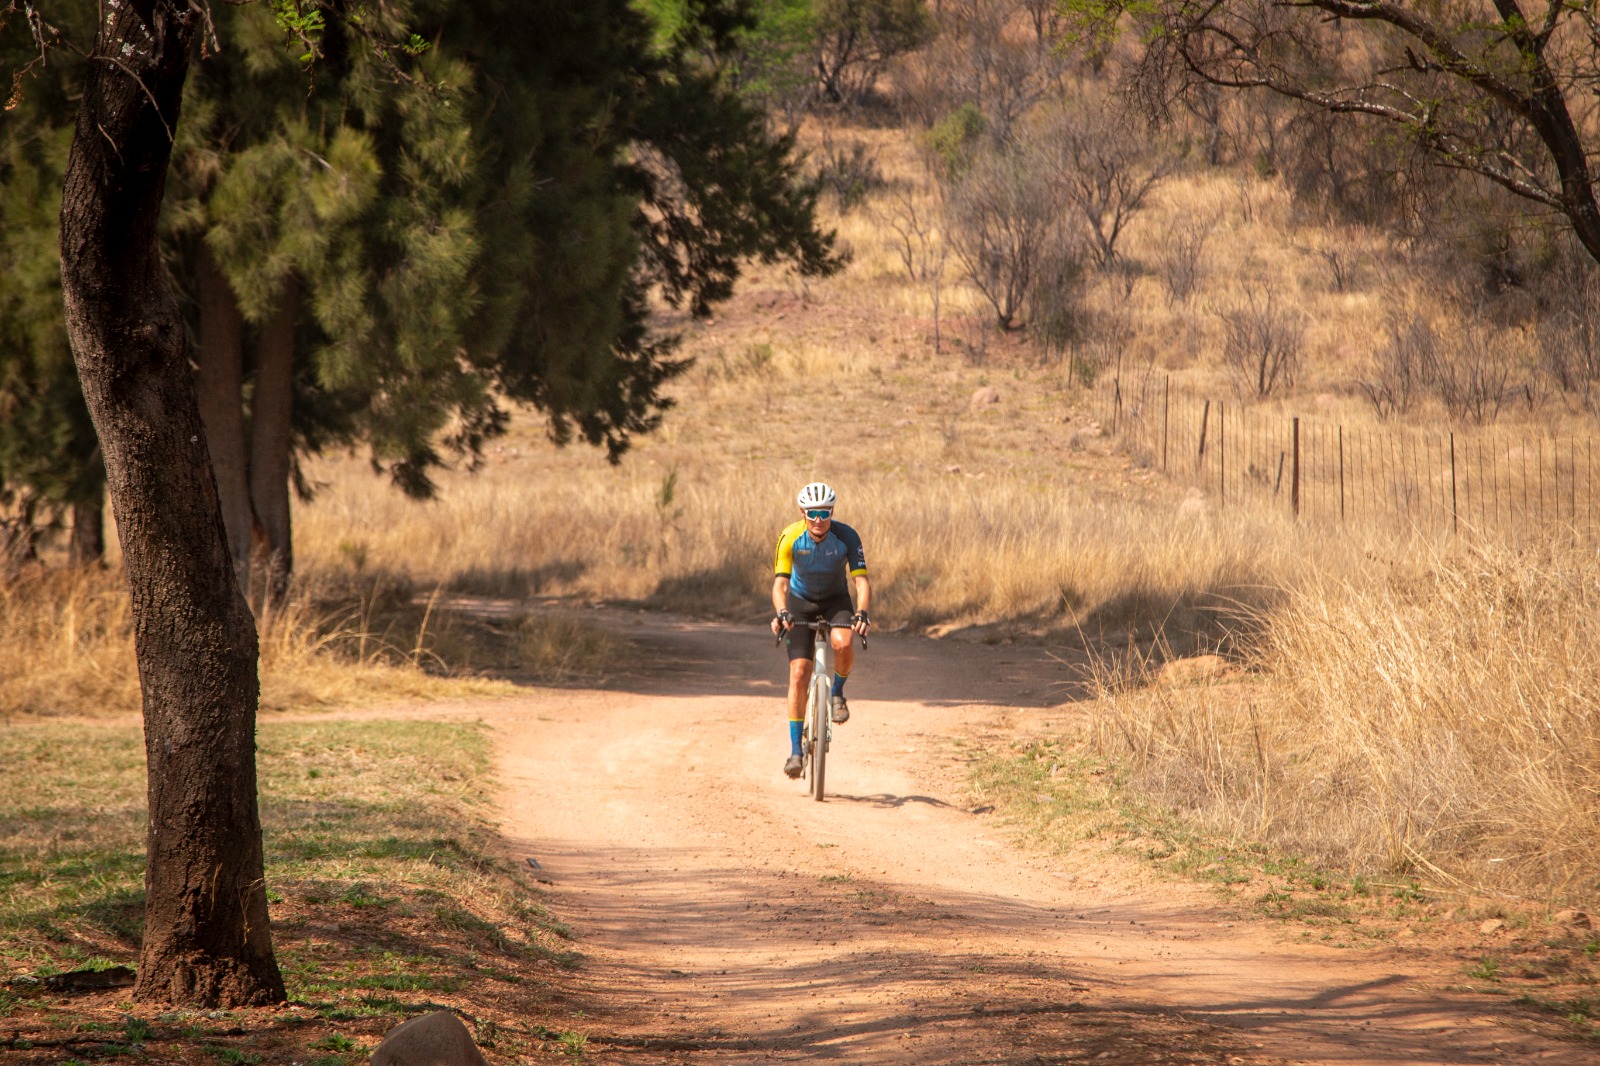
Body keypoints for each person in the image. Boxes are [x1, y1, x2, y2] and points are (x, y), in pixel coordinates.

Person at [770, 481, 871, 779]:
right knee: (799, 673)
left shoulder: (846, 536)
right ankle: (795, 752)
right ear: (802, 512)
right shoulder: (789, 537)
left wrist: (862, 613)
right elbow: (780, 584)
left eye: (824, 513)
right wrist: (782, 611)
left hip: (835, 600)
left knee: (843, 642)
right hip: (800, 602)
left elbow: (861, 583)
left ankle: (837, 693)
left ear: (832, 512)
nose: (818, 520)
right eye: (812, 513)